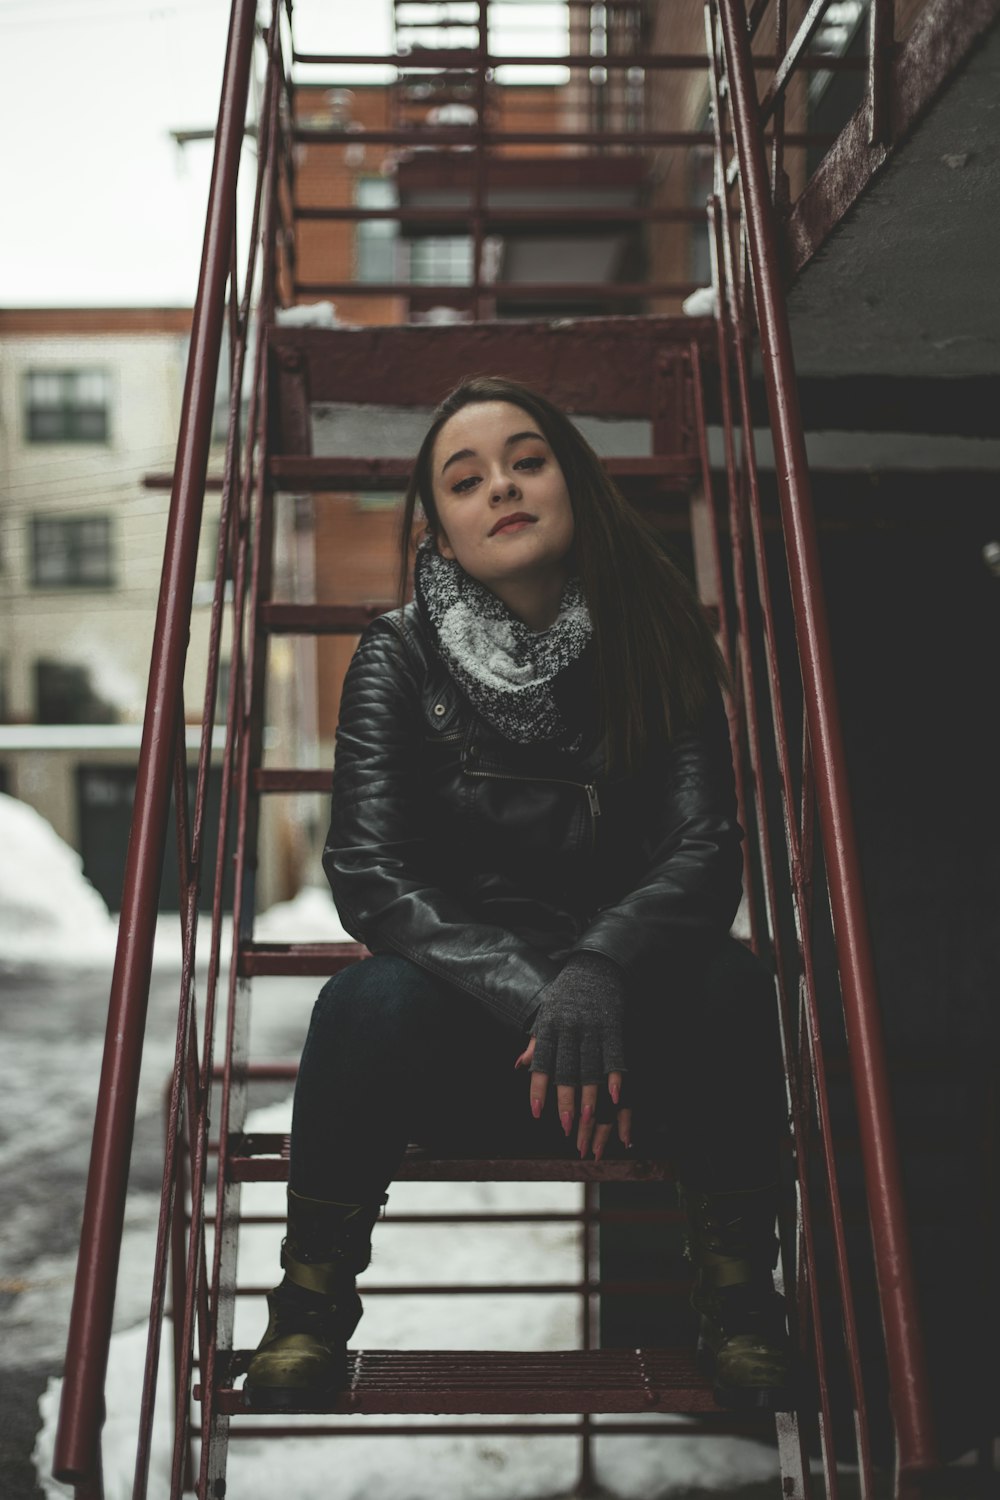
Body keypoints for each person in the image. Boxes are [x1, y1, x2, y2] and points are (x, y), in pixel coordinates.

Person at [245, 376, 791, 1413]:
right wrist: (541, 994)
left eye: (527, 460)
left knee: (729, 982)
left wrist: (598, 970)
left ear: (572, 485)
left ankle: (740, 1306)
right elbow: (368, 871)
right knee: (362, 1003)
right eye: (465, 478)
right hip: (476, 1040)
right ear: (442, 534)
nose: (501, 484)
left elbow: (702, 849)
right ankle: (310, 1305)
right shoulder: (396, 656)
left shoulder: (658, 641)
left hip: (633, 1040)